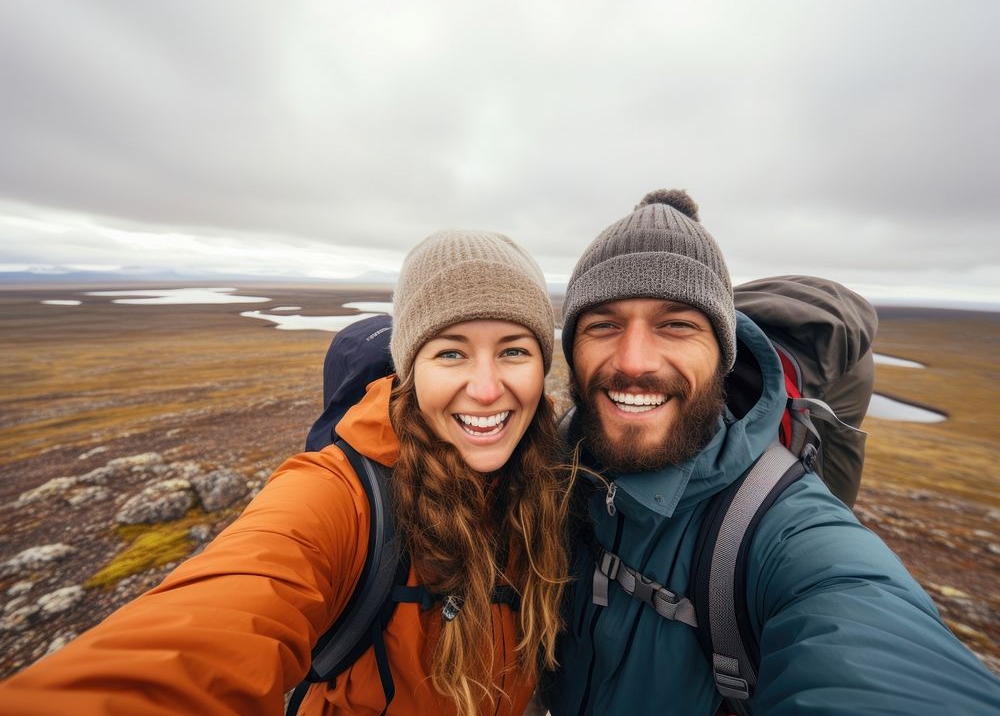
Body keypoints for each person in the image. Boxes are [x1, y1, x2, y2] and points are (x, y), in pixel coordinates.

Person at [0, 229, 572, 716]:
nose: (488, 387)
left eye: (514, 350)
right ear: (409, 370)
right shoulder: (338, 495)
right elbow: (211, 627)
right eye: (451, 352)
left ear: (543, 364)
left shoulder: (560, 475)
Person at [545, 189, 999, 715]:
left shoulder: (783, 531)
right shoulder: (554, 471)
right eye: (603, 324)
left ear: (723, 354)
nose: (635, 360)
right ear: (572, 351)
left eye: (677, 325)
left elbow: (868, 641)